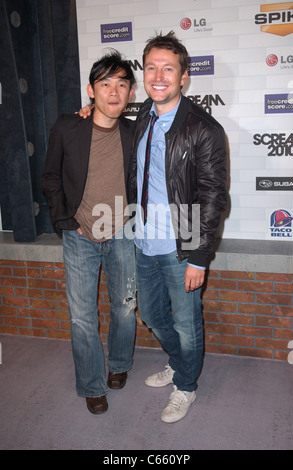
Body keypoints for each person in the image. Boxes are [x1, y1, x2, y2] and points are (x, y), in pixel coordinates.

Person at [127, 31, 227, 423]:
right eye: (151, 67)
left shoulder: (204, 128)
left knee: (187, 323)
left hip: (180, 246)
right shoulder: (141, 119)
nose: (158, 75)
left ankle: (186, 386)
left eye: (168, 68)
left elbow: (214, 196)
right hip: (143, 242)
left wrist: (199, 257)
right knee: (151, 314)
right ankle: (178, 362)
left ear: (184, 76)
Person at [41, 51, 137, 415]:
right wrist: (65, 220)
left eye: (122, 84)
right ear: (91, 91)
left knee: (125, 309)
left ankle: (119, 364)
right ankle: (92, 385)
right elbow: (50, 176)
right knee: (82, 316)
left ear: (130, 92)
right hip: (80, 234)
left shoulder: (135, 131)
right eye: (106, 84)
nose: (114, 92)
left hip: (123, 233)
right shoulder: (68, 126)